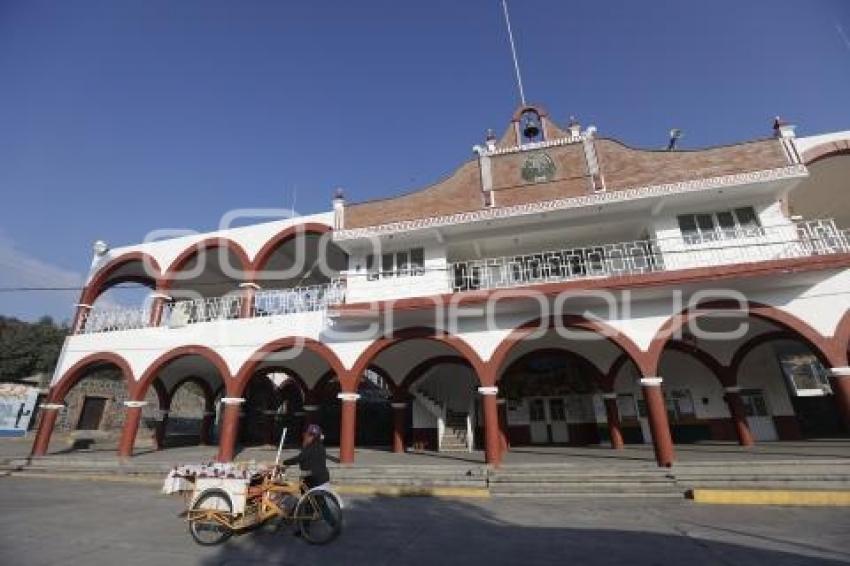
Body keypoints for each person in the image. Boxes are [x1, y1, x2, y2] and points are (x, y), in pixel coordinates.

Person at [283, 424, 330, 489]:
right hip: (319, 478)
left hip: (316, 480)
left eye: (308, 435)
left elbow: (300, 458)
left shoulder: (313, 447)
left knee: (300, 483)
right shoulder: (317, 446)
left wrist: (285, 463)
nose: (306, 437)